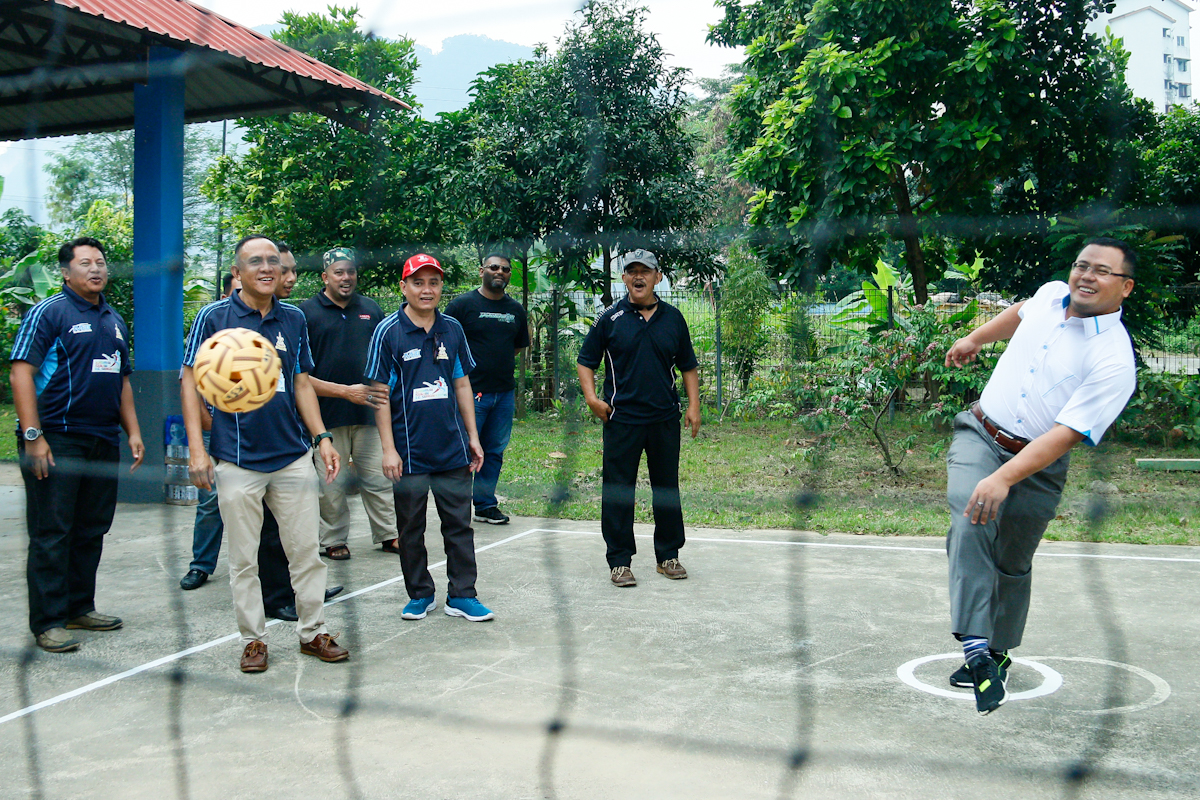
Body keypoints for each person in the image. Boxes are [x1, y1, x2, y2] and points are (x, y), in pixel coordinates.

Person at [941, 237, 1138, 715]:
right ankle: (975, 650)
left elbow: (1066, 434)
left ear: (1125, 287)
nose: (1086, 276)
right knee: (971, 520)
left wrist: (1007, 477)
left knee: (1012, 560)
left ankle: (998, 651)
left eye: (1102, 271)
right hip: (980, 434)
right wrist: (974, 339)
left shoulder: (1115, 359)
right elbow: (1018, 313)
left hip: (1039, 464)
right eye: (1081, 265)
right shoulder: (1051, 295)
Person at [182, 234, 349, 673]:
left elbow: (300, 383)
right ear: (238, 272)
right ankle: (253, 640)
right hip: (236, 459)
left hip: (292, 456)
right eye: (255, 261)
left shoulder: (292, 318)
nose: (267, 268)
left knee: (306, 552)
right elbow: (188, 382)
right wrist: (197, 450)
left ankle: (313, 632)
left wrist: (322, 437)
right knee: (243, 559)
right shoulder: (214, 317)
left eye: (273, 261)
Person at [11, 237, 145, 652]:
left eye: (101, 262)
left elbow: (121, 380)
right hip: (56, 440)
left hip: (103, 440)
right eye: (85, 263)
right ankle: (48, 622)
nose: (96, 269)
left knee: (91, 529)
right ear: (66, 273)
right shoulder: (48, 313)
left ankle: (78, 608)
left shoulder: (115, 320)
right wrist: (34, 437)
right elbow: (21, 372)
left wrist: (134, 432)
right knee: (53, 531)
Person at [365, 253, 493, 622]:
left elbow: (462, 382)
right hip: (407, 452)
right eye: (418, 282)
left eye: (433, 282)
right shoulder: (388, 332)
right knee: (410, 528)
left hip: (451, 449)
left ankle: (462, 595)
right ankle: (420, 594)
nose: (426, 289)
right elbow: (378, 394)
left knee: (459, 525)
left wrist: (473, 436)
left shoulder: (452, 328)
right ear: (403, 287)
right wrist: (388, 450)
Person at [576, 248, 700, 588]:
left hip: (663, 419)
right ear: (624, 278)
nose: (638, 276)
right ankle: (619, 561)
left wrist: (694, 407)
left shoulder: (673, 318)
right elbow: (586, 361)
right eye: (631, 271)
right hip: (622, 420)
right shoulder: (610, 318)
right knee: (618, 490)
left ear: (658, 277)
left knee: (666, 488)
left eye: (645, 271)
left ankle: (668, 556)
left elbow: (688, 366)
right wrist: (591, 400)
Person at [299, 247, 395, 560]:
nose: (346, 277)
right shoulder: (305, 313)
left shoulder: (371, 308)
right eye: (338, 272)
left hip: (370, 413)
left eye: (350, 271)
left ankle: (389, 535)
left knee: (379, 478)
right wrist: (344, 391)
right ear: (324, 276)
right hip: (326, 417)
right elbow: (298, 375)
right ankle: (333, 540)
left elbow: (386, 357)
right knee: (332, 485)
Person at [445, 250, 531, 525]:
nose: (500, 272)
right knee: (463, 450)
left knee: (494, 450)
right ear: (482, 271)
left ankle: (484, 504)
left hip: (504, 393)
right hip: (470, 392)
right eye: (494, 267)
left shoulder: (515, 310)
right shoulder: (461, 306)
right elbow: (446, 344)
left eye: (505, 269)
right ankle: (455, 508)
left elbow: (517, 346)